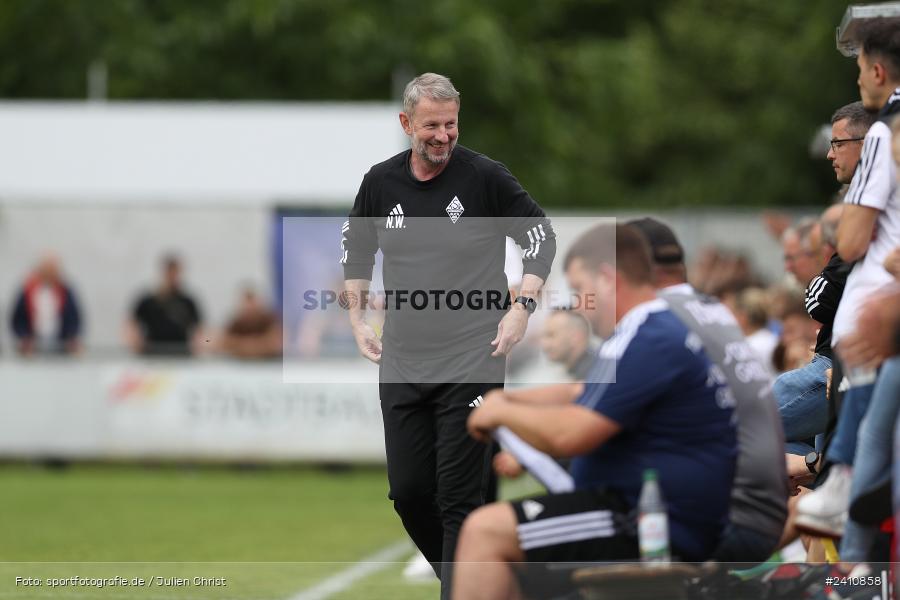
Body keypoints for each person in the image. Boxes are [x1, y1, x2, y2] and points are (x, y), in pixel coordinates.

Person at [340, 72, 555, 598]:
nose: (443, 136)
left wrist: (521, 308)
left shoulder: (485, 177)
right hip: (404, 358)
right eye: (431, 126)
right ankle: (478, 580)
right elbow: (357, 251)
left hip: (472, 356)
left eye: (451, 124)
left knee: (459, 498)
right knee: (410, 493)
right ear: (406, 123)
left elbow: (539, 237)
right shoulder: (379, 182)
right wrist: (356, 319)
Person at [452, 224, 735, 600]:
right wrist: (505, 402)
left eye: (578, 286)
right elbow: (583, 394)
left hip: (650, 518)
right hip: (646, 508)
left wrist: (501, 411)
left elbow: (571, 435)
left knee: (485, 530)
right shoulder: (652, 327)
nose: (579, 301)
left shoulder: (650, 333)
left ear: (606, 278)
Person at [627, 217, 788, 564]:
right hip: (762, 506)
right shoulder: (713, 311)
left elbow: (588, 426)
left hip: (724, 513)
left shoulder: (659, 318)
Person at [797, 17, 900, 543]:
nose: (859, 79)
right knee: (856, 520)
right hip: (867, 347)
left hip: (873, 344)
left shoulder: (886, 130)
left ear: (878, 70)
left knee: (861, 519)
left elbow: (855, 242)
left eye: (859, 67)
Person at [125, 254, 205, 356]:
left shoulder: (188, 301)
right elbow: (132, 324)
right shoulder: (148, 301)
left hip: (181, 354)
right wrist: (134, 340)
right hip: (152, 353)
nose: (173, 277)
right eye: (170, 273)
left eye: (176, 273)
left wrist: (199, 344)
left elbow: (199, 329)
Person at [10, 252, 82, 355]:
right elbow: (18, 318)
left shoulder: (65, 291)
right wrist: (23, 337)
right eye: (46, 270)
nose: (49, 274)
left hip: (60, 346)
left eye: (52, 270)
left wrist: (71, 337)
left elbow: (74, 317)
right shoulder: (27, 290)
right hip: (33, 347)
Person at [220, 287, 282, 359]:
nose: (250, 309)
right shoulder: (237, 322)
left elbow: (276, 342)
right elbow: (224, 342)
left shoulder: (270, 319)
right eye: (247, 307)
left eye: (253, 306)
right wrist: (256, 345)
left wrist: (245, 346)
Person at [539, 309, 595, 381]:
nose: (544, 344)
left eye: (551, 335)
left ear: (576, 337)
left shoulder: (595, 375)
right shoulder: (579, 374)